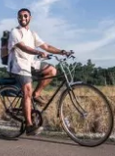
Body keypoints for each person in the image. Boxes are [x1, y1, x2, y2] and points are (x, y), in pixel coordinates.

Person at [7, 8, 70, 136]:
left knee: (52, 70)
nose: (23, 18)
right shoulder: (15, 32)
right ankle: (29, 125)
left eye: (25, 16)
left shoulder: (32, 34)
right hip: (19, 65)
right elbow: (23, 47)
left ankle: (37, 94)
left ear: (30, 18)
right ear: (18, 18)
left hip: (30, 64)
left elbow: (46, 46)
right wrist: (38, 52)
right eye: (20, 16)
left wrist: (61, 51)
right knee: (27, 91)